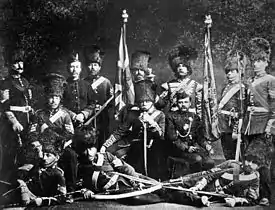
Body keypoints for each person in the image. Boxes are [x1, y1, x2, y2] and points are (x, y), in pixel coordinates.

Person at [100, 81, 166, 180]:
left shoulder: (160, 114)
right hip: (130, 142)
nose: (143, 104)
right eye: (141, 102)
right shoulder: (133, 113)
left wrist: (151, 123)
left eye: (147, 101)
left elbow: (161, 135)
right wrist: (105, 145)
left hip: (150, 145)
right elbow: (120, 131)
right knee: (110, 152)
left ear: (152, 101)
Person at [28, 73, 77, 192]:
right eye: (51, 97)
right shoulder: (39, 114)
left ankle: (71, 189)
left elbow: (69, 134)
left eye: (56, 97)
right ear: (46, 97)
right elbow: (32, 132)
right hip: (42, 146)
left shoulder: (64, 114)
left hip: (59, 146)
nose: (53, 100)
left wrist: (59, 148)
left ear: (60, 98)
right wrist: (38, 146)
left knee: (71, 156)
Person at [243, 37, 275, 206]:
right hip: (249, 126)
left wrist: (270, 126)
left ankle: (265, 195)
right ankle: (251, 193)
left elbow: (274, 105)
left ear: (266, 62)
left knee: (261, 163)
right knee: (247, 160)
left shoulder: (270, 80)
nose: (256, 64)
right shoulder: (249, 81)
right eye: (254, 61)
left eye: (260, 61)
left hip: (263, 125)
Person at [73, 130, 139, 197]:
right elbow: (78, 185)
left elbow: (126, 168)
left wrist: (137, 182)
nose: (89, 153)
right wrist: (86, 191)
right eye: (85, 150)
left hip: (126, 185)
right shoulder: (79, 167)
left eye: (91, 148)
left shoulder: (106, 156)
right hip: (107, 195)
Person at [0, 49, 33, 178]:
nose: (20, 65)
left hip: (26, 120)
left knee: (25, 153)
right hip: (11, 123)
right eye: (16, 63)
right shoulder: (5, 83)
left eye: (21, 62)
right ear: (9, 65)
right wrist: (14, 121)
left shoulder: (25, 82)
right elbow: (4, 106)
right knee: (11, 154)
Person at [166, 92, 214, 173]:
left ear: (190, 103)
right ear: (176, 103)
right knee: (197, 159)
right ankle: (193, 181)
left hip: (193, 148)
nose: (183, 105)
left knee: (210, 162)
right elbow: (172, 138)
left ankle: (205, 181)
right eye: (180, 102)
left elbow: (199, 137)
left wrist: (206, 145)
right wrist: (186, 148)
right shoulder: (171, 116)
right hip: (178, 149)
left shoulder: (194, 117)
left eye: (186, 102)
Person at [15, 140, 67, 207]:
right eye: (44, 155)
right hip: (27, 195)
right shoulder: (36, 167)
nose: (44, 158)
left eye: (48, 155)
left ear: (57, 157)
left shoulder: (57, 174)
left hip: (37, 200)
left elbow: (61, 198)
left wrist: (42, 201)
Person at [218, 51, 249, 160]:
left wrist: (237, 130)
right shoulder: (226, 87)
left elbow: (242, 111)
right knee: (227, 154)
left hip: (234, 126)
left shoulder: (242, 88)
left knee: (237, 156)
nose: (229, 74)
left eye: (232, 71)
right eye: (228, 72)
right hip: (224, 125)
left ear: (239, 72)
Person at [159, 45, 202, 116]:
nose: (181, 68)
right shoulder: (167, 86)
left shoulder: (196, 86)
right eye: (178, 66)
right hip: (174, 118)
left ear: (188, 69)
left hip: (191, 118)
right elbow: (162, 105)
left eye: (184, 66)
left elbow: (199, 107)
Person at [84, 45, 114, 148]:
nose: (92, 68)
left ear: (100, 67)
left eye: (95, 65)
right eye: (90, 65)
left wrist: (103, 108)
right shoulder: (83, 82)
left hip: (102, 117)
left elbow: (111, 101)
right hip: (88, 118)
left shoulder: (106, 82)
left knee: (102, 139)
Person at [63, 52, 95, 127]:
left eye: (77, 67)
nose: (74, 70)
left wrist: (83, 114)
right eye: (72, 67)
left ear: (80, 69)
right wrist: (73, 116)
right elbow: (60, 105)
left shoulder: (86, 85)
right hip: (67, 123)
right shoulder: (63, 85)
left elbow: (93, 104)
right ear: (68, 68)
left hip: (85, 123)